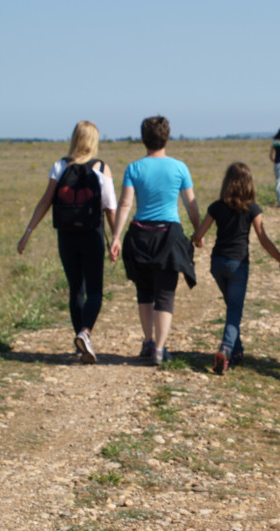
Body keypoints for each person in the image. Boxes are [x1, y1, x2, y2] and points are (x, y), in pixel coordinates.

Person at [17, 120, 116, 364]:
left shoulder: (60, 166)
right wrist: (116, 238)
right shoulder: (101, 168)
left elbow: (46, 201)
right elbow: (110, 207)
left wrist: (28, 231)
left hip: (67, 236)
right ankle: (85, 333)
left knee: (75, 289)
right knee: (95, 290)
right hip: (92, 234)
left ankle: (79, 344)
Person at [109, 116, 201, 366]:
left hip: (140, 236)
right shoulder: (180, 168)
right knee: (165, 294)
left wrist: (116, 237)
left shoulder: (134, 168)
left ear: (143, 139)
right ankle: (159, 349)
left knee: (144, 291)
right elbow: (191, 204)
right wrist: (198, 231)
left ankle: (148, 341)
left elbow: (125, 204)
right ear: (167, 138)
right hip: (169, 236)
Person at [191, 163, 280, 374]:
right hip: (238, 265)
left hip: (217, 264)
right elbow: (263, 238)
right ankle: (225, 350)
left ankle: (237, 350)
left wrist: (195, 240)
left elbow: (199, 235)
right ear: (248, 184)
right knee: (234, 309)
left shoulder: (216, 207)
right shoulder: (252, 209)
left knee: (232, 307)